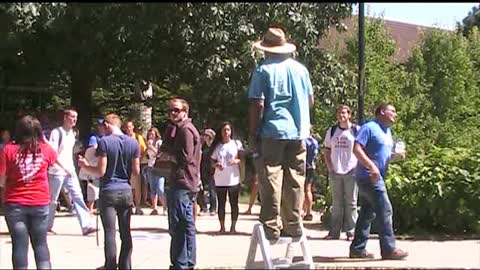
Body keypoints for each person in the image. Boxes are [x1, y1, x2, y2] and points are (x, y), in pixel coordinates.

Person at [247, 26, 314, 240]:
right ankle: (293, 224)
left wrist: (253, 133)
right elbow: (310, 101)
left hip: (273, 130)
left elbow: (258, 104)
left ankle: (270, 226)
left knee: (271, 177)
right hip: (298, 131)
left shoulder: (263, 70)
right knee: (296, 179)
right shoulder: (301, 70)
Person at [78, 113, 140, 269]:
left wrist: (85, 166)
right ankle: (126, 265)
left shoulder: (104, 142)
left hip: (108, 190)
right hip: (126, 190)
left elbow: (101, 171)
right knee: (125, 232)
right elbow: (136, 170)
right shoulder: (133, 143)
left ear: (107, 125)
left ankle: (110, 266)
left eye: (101, 127)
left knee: (110, 233)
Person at [349, 103, 408, 260]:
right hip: (368, 176)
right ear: (382, 112)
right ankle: (389, 249)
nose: (395, 114)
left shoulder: (387, 132)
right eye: (392, 111)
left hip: (377, 175)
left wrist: (396, 156)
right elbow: (356, 149)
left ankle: (357, 249)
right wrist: (371, 167)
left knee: (367, 212)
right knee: (385, 209)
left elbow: (384, 156)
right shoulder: (369, 127)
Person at [0, 115, 57, 269]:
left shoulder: (8, 150)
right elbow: (53, 162)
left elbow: (1, 181)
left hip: (14, 202)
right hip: (40, 201)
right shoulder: (46, 149)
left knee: (19, 244)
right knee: (40, 244)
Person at [47, 108, 96, 235]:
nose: (74, 119)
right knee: (52, 200)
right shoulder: (56, 133)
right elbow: (52, 154)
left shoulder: (73, 134)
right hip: (56, 172)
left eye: (76, 117)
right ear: (65, 117)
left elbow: (68, 152)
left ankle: (86, 226)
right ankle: (47, 226)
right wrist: (63, 168)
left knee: (78, 197)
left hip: (70, 171)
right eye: (72, 116)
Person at [165, 97, 201, 270]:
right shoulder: (178, 129)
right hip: (187, 181)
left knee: (178, 225)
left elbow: (185, 157)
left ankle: (181, 263)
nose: (172, 113)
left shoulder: (186, 130)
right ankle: (187, 262)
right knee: (186, 224)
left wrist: (167, 156)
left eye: (176, 110)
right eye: (170, 110)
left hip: (183, 182)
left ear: (185, 112)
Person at [322, 105, 359, 240]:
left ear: (349, 115)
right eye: (339, 113)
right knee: (336, 203)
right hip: (336, 171)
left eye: (344, 113)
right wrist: (330, 167)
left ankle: (352, 231)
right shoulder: (331, 131)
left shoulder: (356, 130)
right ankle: (334, 232)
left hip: (352, 170)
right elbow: (326, 150)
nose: (341, 115)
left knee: (352, 203)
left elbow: (362, 149)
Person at [210, 122, 243, 234]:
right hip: (220, 179)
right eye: (224, 130)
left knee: (234, 203)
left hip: (233, 178)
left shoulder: (236, 144)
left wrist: (236, 161)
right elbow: (211, 160)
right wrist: (216, 165)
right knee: (221, 203)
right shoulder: (218, 146)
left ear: (231, 131)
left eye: (228, 130)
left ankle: (233, 227)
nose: (226, 132)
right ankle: (222, 227)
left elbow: (243, 158)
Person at [124, 120, 148, 215]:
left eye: (130, 127)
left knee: (137, 187)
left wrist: (139, 160)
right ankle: (129, 205)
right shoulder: (123, 138)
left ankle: (138, 206)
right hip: (125, 165)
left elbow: (144, 150)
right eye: (126, 127)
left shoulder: (138, 138)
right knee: (128, 186)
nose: (128, 129)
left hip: (135, 165)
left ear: (133, 127)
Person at [146, 127, 167, 215]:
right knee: (152, 188)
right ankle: (154, 208)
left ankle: (165, 207)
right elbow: (148, 155)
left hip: (159, 167)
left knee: (160, 188)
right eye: (150, 134)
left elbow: (160, 154)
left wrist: (152, 147)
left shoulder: (159, 142)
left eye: (153, 134)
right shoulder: (148, 143)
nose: (151, 136)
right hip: (150, 166)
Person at [78, 136, 100, 214]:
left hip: (94, 174)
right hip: (91, 175)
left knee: (94, 193)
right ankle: (90, 209)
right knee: (92, 193)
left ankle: (93, 208)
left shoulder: (96, 150)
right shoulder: (90, 151)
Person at [197, 128, 217, 216]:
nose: (204, 137)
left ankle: (213, 208)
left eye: (206, 135)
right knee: (200, 190)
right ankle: (203, 207)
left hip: (212, 171)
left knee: (212, 190)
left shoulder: (214, 147)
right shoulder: (202, 146)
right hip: (202, 170)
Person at [303, 128, 320, 221]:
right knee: (308, 189)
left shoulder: (303, 141)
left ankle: (301, 211)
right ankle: (309, 212)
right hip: (311, 167)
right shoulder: (314, 142)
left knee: (301, 189)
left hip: (302, 166)